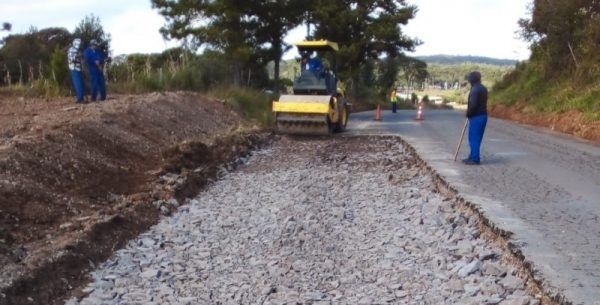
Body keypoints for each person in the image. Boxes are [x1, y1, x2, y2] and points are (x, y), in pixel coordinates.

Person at [463, 71, 488, 165]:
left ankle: (475, 158)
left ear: (471, 80)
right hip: (483, 116)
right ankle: (472, 156)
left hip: (476, 116)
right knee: (477, 138)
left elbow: (473, 105)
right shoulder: (483, 88)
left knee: (473, 138)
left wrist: (468, 114)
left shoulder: (474, 90)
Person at [67, 38, 84, 103]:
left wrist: (81, 55)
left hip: (79, 69)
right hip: (74, 69)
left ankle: (81, 98)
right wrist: (78, 56)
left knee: (81, 83)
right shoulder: (71, 50)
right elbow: (72, 59)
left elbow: (81, 58)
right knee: (78, 84)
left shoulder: (78, 50)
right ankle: (80, 99)